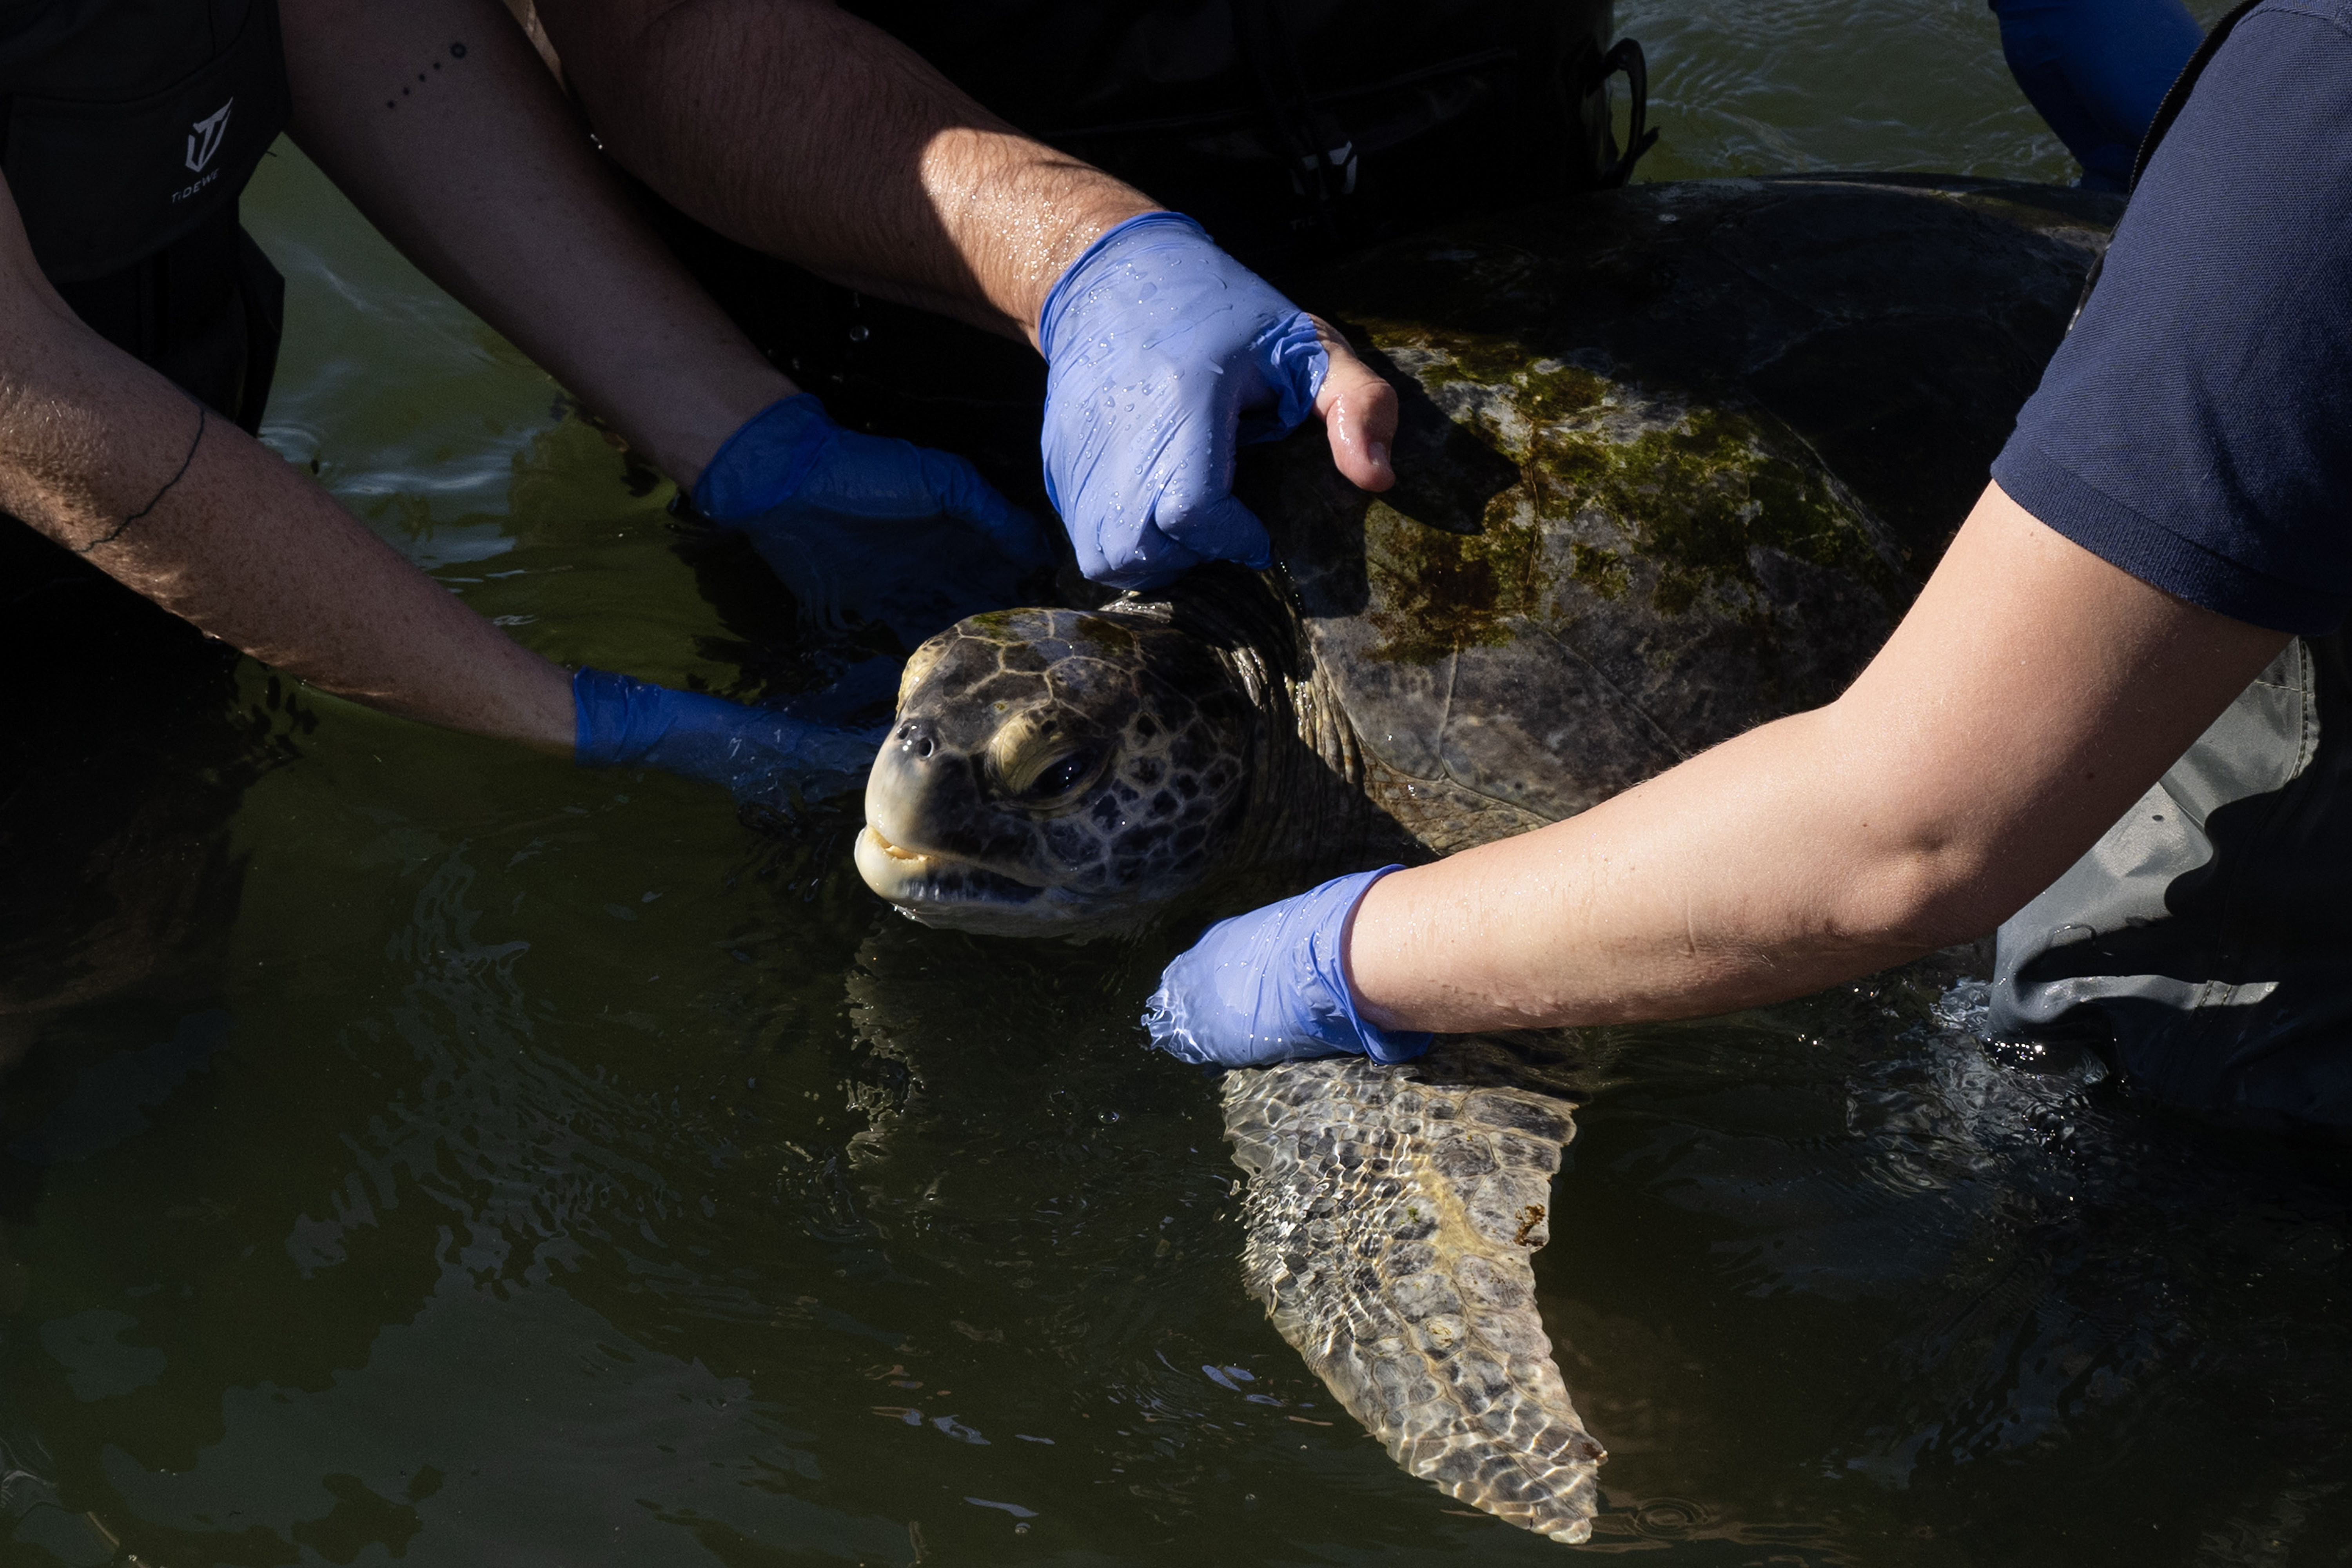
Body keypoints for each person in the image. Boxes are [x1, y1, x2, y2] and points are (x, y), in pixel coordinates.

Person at [1143, 0, 2352, 1133]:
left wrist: (1345, 959)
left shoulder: (2310, 118)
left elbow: (1912, 840)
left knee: (2116, 1089)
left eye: (1057, 775)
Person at [0, 0, 1400, 804]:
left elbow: (350, 18)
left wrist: (736, 429)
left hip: (161, 341)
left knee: (162, 887)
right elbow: (30, 394)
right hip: (55, 405)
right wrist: (562, 714)